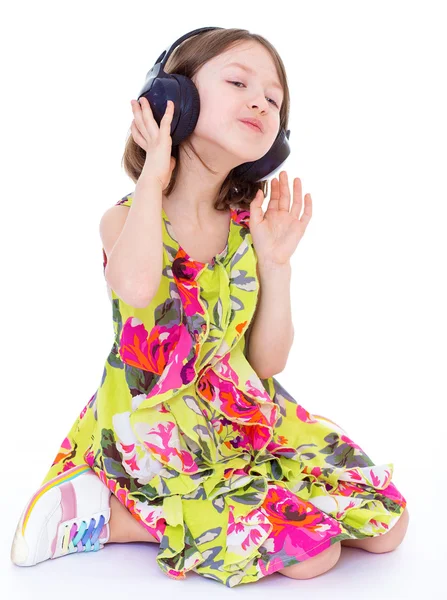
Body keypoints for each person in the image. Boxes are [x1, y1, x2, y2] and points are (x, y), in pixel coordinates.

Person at [10, 27, 409, 588]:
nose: (260, 102)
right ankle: (108, 512)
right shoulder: (126, 218)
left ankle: (246, 486)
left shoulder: (250, 228)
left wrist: (276, 264)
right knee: (313, 558)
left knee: (388, 526)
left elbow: (268, 363)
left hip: (242, 416)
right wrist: (154, 173)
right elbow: (137, 286)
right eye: (239, 83)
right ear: (176, 98)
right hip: (160, 430)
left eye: (273, 99)